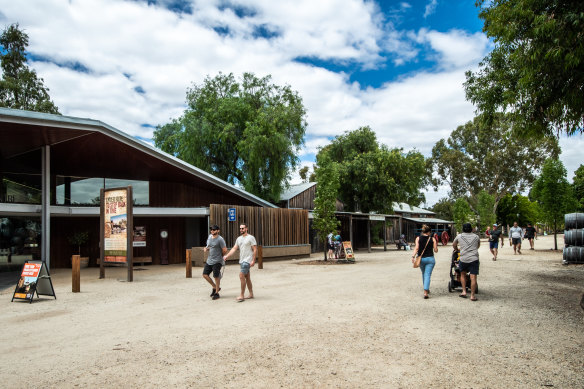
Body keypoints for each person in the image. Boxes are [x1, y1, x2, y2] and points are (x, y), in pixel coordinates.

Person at [224, 223, 257, 302]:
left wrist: (253, 260)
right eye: (240, 228)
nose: (241, 230)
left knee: (241, 275)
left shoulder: (251, 237)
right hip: (241, 261)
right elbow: (234, 249)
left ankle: (242, 295)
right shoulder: (239, 239)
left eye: (243, 228)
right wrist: (226, 256)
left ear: (246, 228)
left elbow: (255, 249)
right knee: (247, 277)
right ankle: (251, 294)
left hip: (247, 260)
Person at [453, 223, 480, 301]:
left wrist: (457, 249)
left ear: (463, 229)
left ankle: (464, 291)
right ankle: (472, 295)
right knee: (473, 277)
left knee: (463, 274)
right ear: (471, 229)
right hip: (474, 258)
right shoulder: (476, 236)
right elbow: (478, 246)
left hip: (463, 258)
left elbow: (454, 245)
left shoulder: (459, 236)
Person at [411, 224, 438, 299]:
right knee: (427, 274)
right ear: (429, 232)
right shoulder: (432, 239)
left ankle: (426, 289)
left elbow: (416, 248)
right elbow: (436, 250)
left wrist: (413, 256)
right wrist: (435, 245)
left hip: (421, 259)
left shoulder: (418, 238)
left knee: (424, 273)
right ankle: (426, 292)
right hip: (430, 259)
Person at [202, 224, 227, 300]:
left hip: (217, 261)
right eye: (211, 230)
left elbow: (224, 250)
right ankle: (215, 286)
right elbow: (209, 246)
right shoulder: (210, 237)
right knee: (205, 274)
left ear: (218, 231)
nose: (212, 231)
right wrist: (206, 249)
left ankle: (216, 293)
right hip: (209, 260)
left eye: (214, 230)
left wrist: (221, 257)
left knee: (216, 276)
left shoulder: (220, 239)